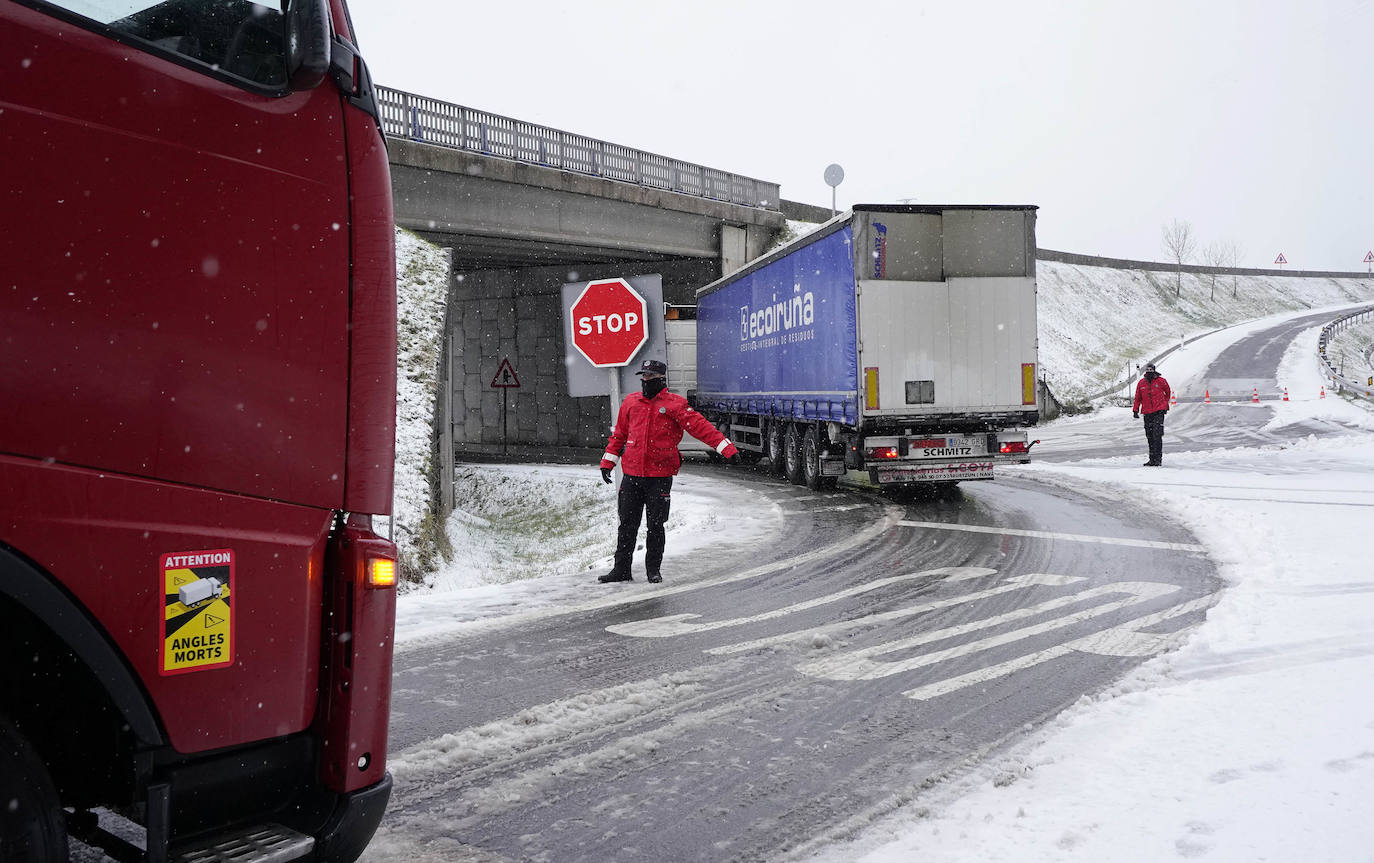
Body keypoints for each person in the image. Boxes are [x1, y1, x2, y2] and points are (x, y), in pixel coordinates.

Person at [597, 359, 738, 584]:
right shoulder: (631, 403)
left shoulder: (676, 405)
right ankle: (621, 569)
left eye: (650, 377)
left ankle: (653, 570)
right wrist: (608, 462)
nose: (645, 381)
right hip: (632, 476)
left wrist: (726, 448)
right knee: (627, 525)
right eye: (643, 377)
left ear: (661, 379)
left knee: (655, 525)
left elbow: (701, 428)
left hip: (659, 477)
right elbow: (619, 435)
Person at [1132, 362, 1172, 466]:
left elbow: (1168, 392)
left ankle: (1158, 459)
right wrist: (1135, 410)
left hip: (1159, 412)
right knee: (1149, 436)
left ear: (1154, 370)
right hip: (1147, 412)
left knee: (1157, 435)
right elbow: (1137, 397)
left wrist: (1164, 404)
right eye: (1148, 370)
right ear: (1145, 371)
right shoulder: (1141, 383)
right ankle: (1152, 459)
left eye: (1151, 370)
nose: (1149, 371)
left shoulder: (1161, 381)